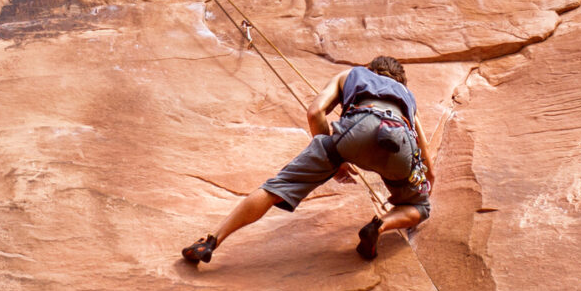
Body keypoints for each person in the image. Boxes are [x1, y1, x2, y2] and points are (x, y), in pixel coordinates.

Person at [181, 55, 434, 265]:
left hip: (355, 131)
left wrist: (334, 157)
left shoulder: (351, 75)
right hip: (399, 143)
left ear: (370, 68)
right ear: (400, 81)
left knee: (274, 189)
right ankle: (379, 226)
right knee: (420, 207)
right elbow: (425, 158)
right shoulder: (407, 97)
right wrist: (424, 188)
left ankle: (211, 240)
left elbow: (315, 112)